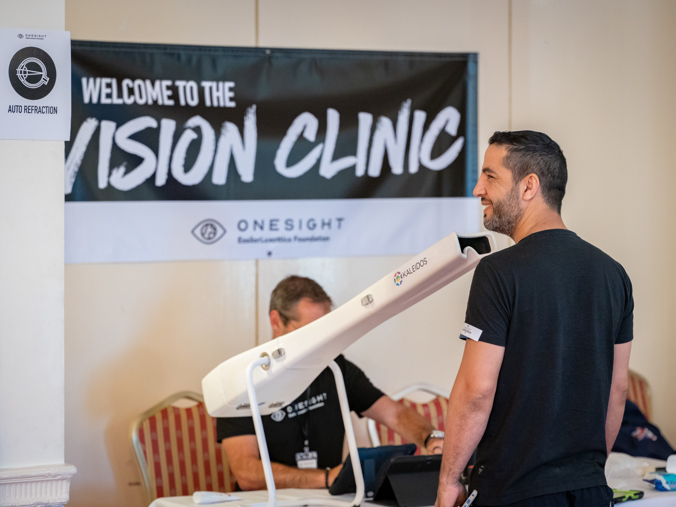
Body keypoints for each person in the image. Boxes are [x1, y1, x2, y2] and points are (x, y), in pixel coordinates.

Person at [435, 131, 633, 507]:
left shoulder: (498, 272)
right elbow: (617, 390)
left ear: (529, 186)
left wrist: (448, 483)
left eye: (490, 176)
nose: (478, 189)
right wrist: (586, 473)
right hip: (590, 492)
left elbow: (476, 391)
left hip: (514, 492)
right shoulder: (614, 274)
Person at [217, 275, 445, 491]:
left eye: (325, 332)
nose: (320, 344)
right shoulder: (242, 380)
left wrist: (430, 438)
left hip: (325, 498)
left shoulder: (336, 368)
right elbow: (247, 474)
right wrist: (325, 478)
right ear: (277, 321)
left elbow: (395, 414)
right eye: (309, 332)